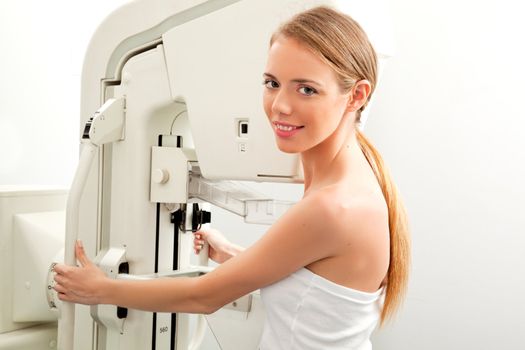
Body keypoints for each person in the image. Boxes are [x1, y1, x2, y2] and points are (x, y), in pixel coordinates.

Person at [53, 5, 410, 349]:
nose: (280, 105)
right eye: (272, 83)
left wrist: (100, 289)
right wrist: (231, 255)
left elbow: (204, 296)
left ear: (356, 95)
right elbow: (318, 288)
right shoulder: (353, 175)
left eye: (306, 89)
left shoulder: (332, 207)